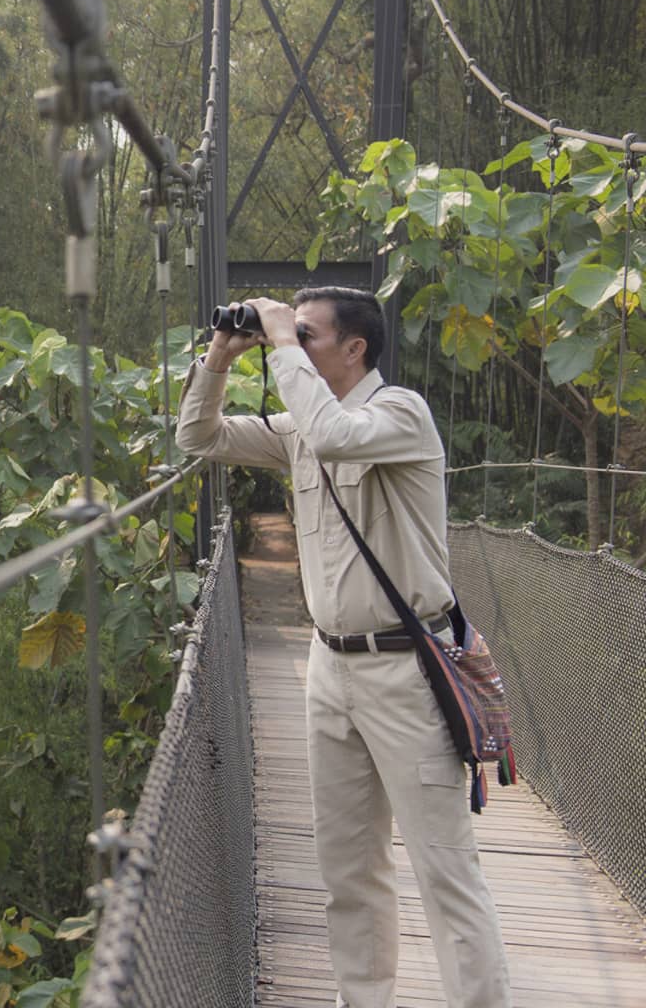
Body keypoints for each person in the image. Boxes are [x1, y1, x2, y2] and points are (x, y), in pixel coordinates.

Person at [175, 287, 512, 1008]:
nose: (287, 342)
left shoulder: (400, 415)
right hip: (328, 669)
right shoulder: (302, 425)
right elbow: (197, 439)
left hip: (406, 674)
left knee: (444, 872)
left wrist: (280, 343)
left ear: (354, 347)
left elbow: (334, 436)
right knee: (347, 872)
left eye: (305, 333)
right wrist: (222, 355)